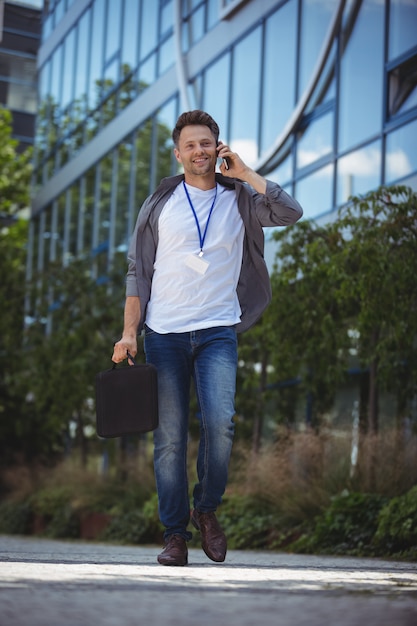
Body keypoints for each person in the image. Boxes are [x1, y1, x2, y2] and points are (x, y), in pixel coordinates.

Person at [112, 110, 303, 566]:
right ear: (178, 153)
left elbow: (290, 212)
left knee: (221, 425)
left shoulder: (241, 198)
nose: (199, 151)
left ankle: (207, 510)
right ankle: (174, 535)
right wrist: (128, 333)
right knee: (171, 439)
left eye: (207, 143)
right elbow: (138, 271)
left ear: (218, 149)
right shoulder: (160, 202)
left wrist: (247, 173)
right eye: (191, 144)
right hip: (165, 332)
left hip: (218, 329)